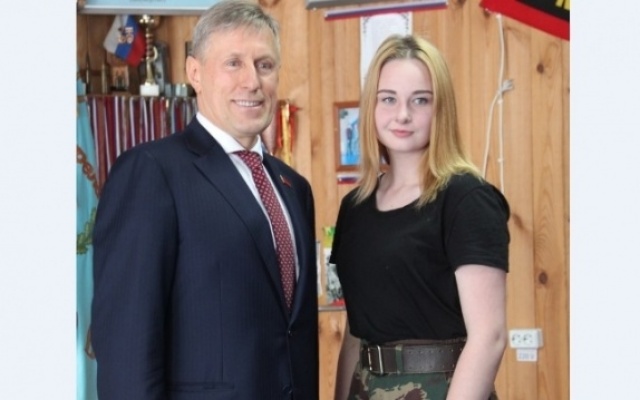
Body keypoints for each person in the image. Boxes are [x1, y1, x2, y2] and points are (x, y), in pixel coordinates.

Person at [91, 1, 319, 398]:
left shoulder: (293, 187)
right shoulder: (152, 173)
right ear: (194, 72)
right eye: (233, 63)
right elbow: (127, 348)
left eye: (264, 65)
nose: (252, 81)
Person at [331, 34, 510, 400]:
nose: (403, 114)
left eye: (420, 100)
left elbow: (489, 337)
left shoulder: (467, 198)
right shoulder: (354, 207)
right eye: (388, 99)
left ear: (441, 108)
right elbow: (355, 331)